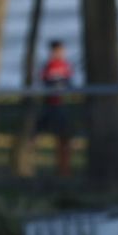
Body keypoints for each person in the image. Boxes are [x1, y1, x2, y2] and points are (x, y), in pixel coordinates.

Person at [35, 40, 74, 177]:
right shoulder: (48, 66)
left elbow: (69, 84)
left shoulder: (66, 66)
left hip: (62, 106)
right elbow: (44, 83)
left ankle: (64, 169)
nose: (59, 53)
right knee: (37, 136)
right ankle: (33, 167)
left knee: (64, 138)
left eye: (61, 50)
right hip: (50, 106)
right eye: (56, 50)